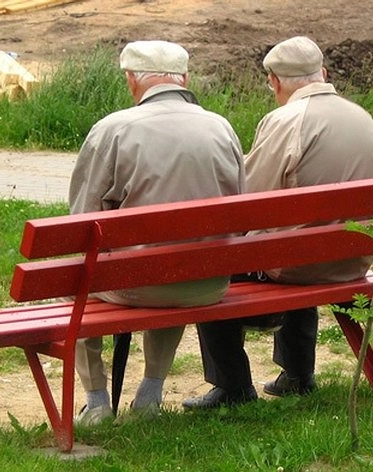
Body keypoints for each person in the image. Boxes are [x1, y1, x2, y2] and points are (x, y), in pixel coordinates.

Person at [182, 36, 373, 409]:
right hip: (356, 258)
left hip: (302, 263)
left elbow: (248, 199)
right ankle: (297, 374)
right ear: (323, 73)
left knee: (212, 261)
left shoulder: (285, 120)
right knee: (300, 239)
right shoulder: (362, 117)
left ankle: (232, 385)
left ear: (275, 81)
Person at [68, 40, 245, 424]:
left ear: (132, 80)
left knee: (75, 274)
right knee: (180, 256)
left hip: (138, 285)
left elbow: (80, 220)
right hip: (206, 282)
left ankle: (96, 402)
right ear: (184, 79)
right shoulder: (221, 127)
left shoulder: (113, 129)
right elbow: (240, 209)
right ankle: (150, 394)